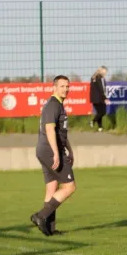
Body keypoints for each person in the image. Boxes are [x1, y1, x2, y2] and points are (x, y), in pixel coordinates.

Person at [31, 75, 77, 236]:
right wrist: (57, 153)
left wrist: (69, 150)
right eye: (62, 86)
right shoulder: (53, 105)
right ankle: (40, 216)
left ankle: (49, 229)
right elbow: (50, 130)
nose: (65, 89)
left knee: (52, 187)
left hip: (46, 150)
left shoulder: (59, 105)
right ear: (54, 87)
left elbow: (60, 132)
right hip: (50, 150)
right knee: (70, 187)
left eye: (67, 86)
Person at [89, 66, 110, 132]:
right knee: (103, 112)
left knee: (99, 113)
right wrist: (105, 98)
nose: (106, 73)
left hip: (94, 98)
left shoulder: (93, 77)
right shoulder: (100, 78)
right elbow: (102, 89)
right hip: (99, 98)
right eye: (105, 71)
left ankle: (100, 127)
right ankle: (93, 121)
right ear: (102, 71)